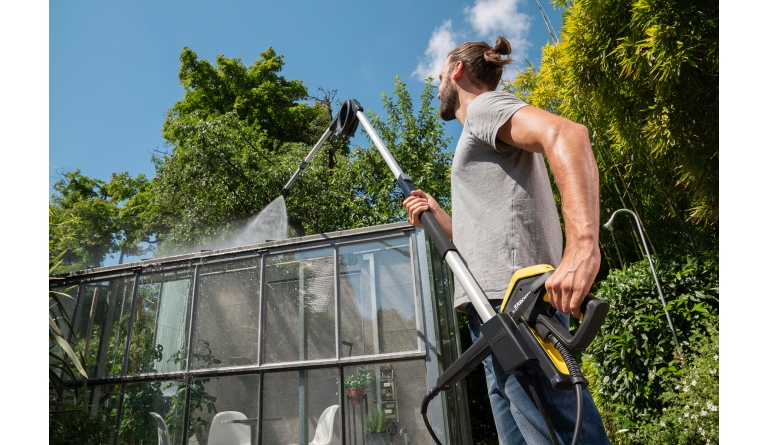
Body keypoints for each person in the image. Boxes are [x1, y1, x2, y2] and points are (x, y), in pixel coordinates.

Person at [403, 37, 610, 445]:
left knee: (559, 434)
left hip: (516, 304)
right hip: (492, 311)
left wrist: (584, 244)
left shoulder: (483, 107)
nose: (439, 84)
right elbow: (484, 232)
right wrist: (439, 216)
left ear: (457, 71)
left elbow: (568, 135)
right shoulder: (482, 135)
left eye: (441, 74)